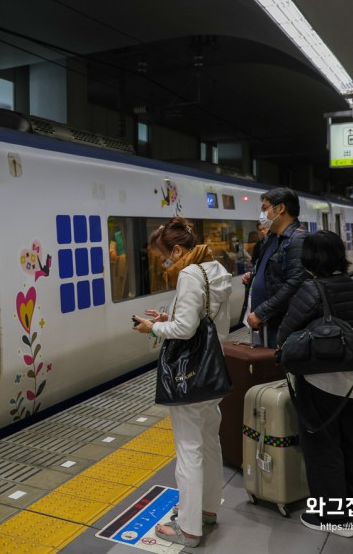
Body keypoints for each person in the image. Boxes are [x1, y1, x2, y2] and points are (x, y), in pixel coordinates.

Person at [132, 217, 232, 548]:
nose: (166, 262)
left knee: (188, 452)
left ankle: (188, 528)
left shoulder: (190, 274)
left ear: (178, 249)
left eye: (166, 255)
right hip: (212, 372)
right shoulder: (214, 270)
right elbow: (207, 320)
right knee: (209, 444)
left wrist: (154, 328)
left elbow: (186, 330)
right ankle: (206, 511)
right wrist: (168, 318)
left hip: (189, 377)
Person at [277, 231, 353, 536]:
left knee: (322, 446)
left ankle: (333, 517)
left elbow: (286, 333)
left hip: (321, 381)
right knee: (349, 442)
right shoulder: (352, 285)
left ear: (310, 257)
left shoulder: (311, 288)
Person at [246, 187, 307, 347]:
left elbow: (295, 283)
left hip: (283, 324)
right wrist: (254, 276)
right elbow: (271, 271)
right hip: (268, 324)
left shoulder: (297, 240)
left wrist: (262, 312)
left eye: (265, 208)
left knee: (281, 369)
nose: (262, 215)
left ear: (280, 208)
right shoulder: (272, 238)